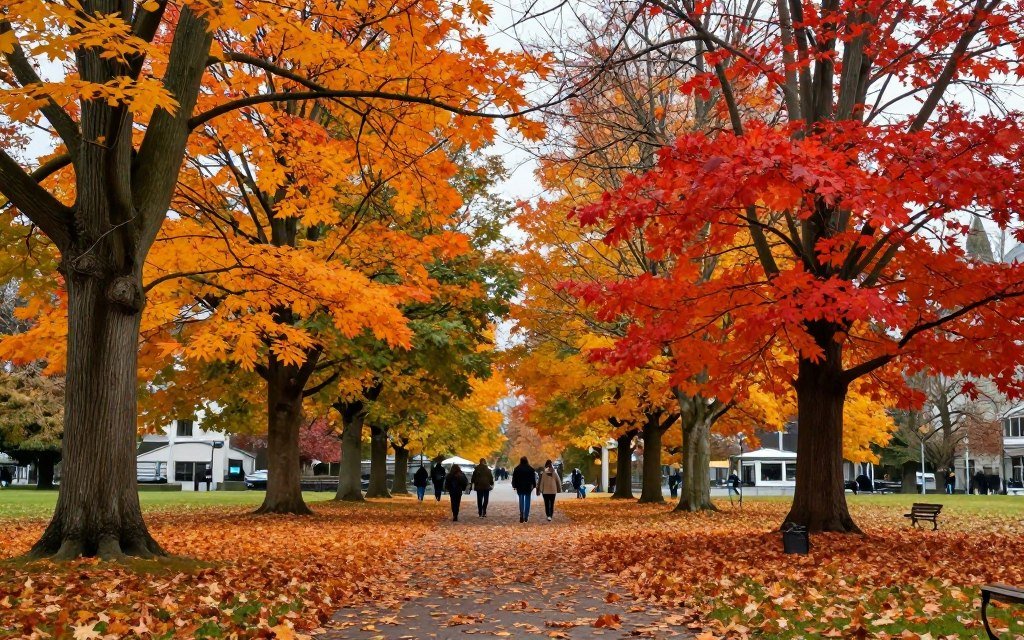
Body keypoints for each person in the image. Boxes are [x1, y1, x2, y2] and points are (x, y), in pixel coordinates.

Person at [511, 456, 537, 523]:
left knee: (521, 500)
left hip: (520, 486)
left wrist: (514, 485)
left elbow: (514, 478)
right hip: (528, 487)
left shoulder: (517, 469)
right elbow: (533, 479)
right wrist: (534, 485)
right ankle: (526, 516)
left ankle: (521, 514)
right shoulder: (530, 469)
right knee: (527, 501)